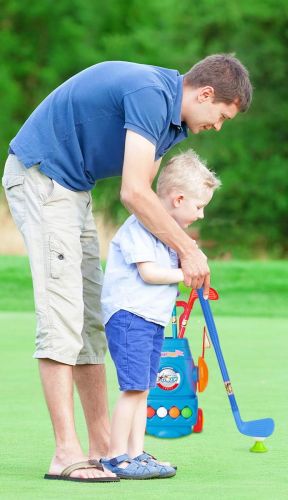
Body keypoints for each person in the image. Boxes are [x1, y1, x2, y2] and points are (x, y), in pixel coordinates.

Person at [1, 54, 252, 482]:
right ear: (206, 94)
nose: (218, 126)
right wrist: (188, 253)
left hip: (72, 188)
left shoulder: (172, 125)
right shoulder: (153, 96)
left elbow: (149, 203)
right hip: (41, 178)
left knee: (90, 320)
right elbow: (134, 193)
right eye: (221, 115)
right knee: (63, 316)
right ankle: (66, 453)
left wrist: (168, 250)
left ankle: (105, 449)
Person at [100, 150, 220, 479]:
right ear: (178, 199)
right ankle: (115, 456)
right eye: (199, 207)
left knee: (144, 388)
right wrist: (186, 274)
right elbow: (150, 274)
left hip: (151, 319)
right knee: (133, 388)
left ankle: (136, 453)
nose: (202, 215)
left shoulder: (169, 236)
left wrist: (190, 261)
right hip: (129, 317)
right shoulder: (139, 226)